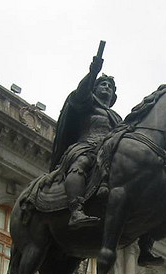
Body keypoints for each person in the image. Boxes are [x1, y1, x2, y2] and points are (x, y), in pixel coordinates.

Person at [50, 55, 121, 228]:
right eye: (103, 84)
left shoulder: (117, 118)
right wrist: (92, 74)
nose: (107, 87)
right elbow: (80, 94)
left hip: (109, 153)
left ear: (113, 95)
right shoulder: (87, 103)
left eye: (110, 86)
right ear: (94, 89)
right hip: (86, 146)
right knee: (81, 163)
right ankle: (76, 210)